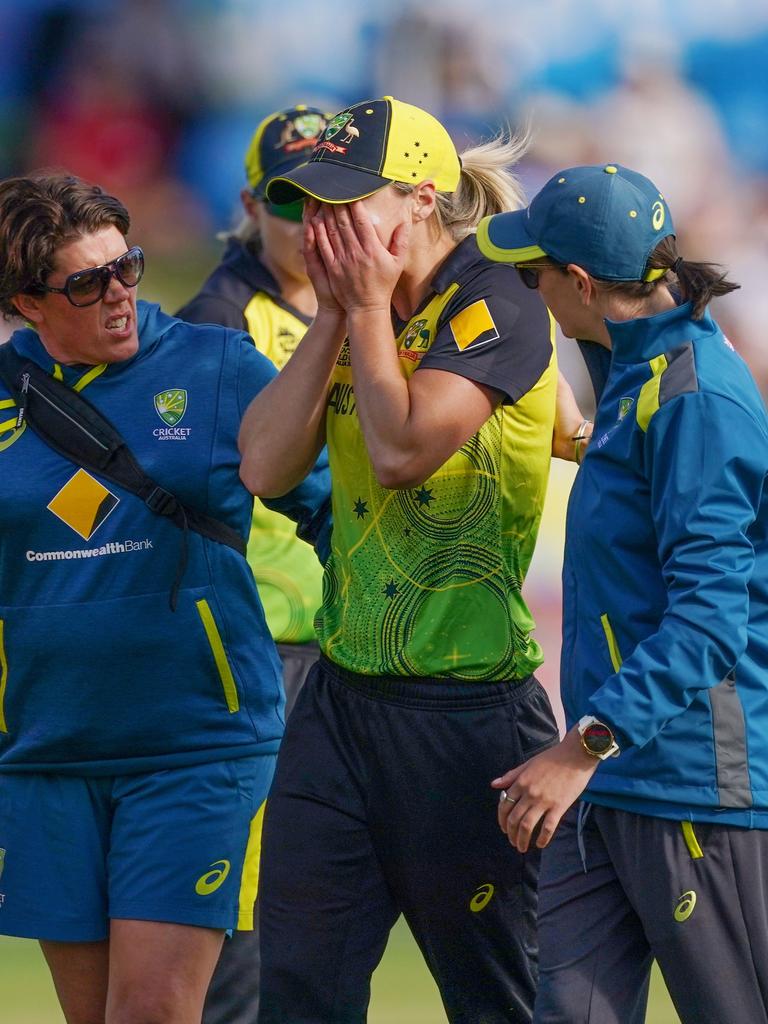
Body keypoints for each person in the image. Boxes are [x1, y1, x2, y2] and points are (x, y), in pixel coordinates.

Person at [239, 96, 560, 1024]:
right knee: (298, 986)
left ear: (421, 199)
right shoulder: (352, 310)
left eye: (347, 202)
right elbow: (263, 465)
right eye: (308, 205)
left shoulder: (498, 301)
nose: (322, 226)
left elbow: (402, 448)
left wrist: (366, 310)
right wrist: (343, 316)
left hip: (468, 713)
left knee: (493, 997)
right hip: (341, 703)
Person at [0, 173, 329, 1024]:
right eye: (86, 283)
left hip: (196, 744)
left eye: (127, 268)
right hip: (46, 753)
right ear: (25, 304)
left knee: (151, 1013)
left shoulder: (217, 366)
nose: (118, 296)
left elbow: (331, 509)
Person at [479, 164, 768, 1024]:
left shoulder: (694, 398)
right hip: (608, 779)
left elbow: (710, 619)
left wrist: (584, 745)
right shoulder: (634, 370)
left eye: (532, 274)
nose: (527, 290)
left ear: (578, 284)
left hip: (691, 785)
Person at [176, 104, 329, 1024]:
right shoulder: (219, 326)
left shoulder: (378, 305)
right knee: (248, 900)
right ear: (249, 201)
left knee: (322, 895)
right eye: (289, 198)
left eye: (328, 196)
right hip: (264, 645)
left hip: (346, 638)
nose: (313, 220)